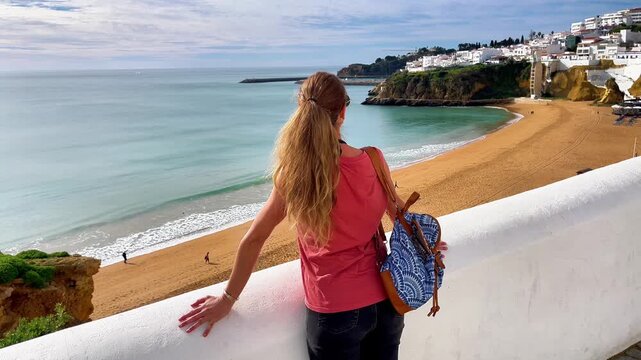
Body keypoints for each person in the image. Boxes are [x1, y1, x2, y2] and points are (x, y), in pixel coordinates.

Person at [178, 72, 448, 359]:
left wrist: (226, 299)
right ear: (343, 112)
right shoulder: (373, 159)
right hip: (388, 299)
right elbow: (400, 215)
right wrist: (426, 246)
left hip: (335, 312)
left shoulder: (296, 175)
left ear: (301, 108)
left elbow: (255, 239)